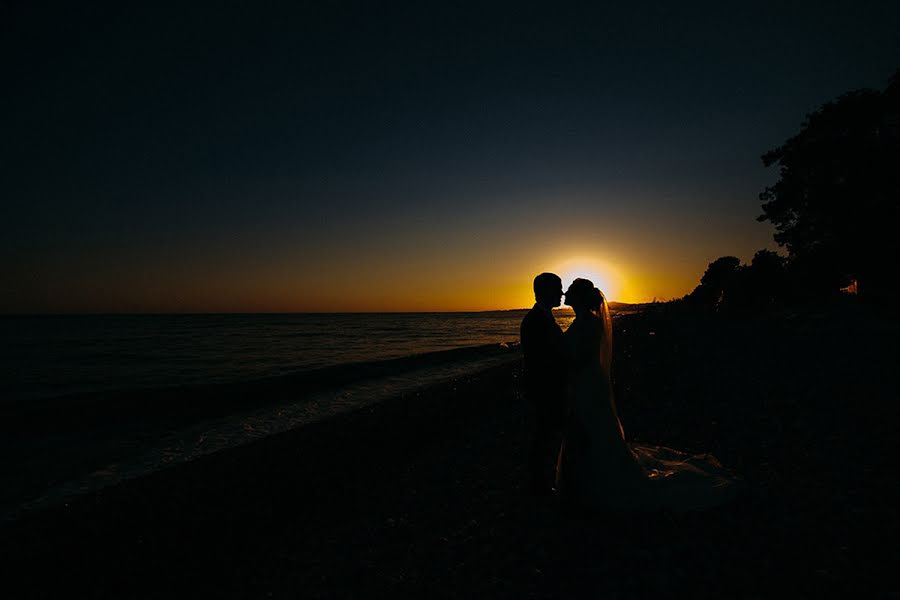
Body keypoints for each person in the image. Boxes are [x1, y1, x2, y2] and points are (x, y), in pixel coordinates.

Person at [556, 278, 740, 511]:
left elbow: (582, 358)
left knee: (593, 425)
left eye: (570, 289)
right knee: (586, 426)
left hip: (588, 384)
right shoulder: (582, 320)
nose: (565, 293)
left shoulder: (590, 323)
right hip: (583, 382)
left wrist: (560, 362)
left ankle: (599, 483)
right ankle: (583, 481)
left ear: (579, 297)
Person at [520, 272, 567, 496]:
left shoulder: (544, 317)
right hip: (544, 390)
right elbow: (539, 361)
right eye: (557, 289)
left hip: (549, 389)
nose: (561, 293)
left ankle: (542, 482)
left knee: (546, 436)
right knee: (542, 437)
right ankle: (538, 486)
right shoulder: (534, 321)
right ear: (544, 292)